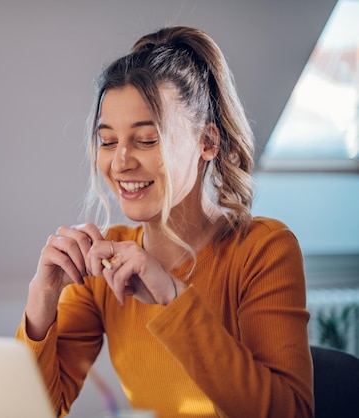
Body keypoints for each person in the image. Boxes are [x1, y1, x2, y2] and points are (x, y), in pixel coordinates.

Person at [16, 26, 313, 418]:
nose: (120, 162)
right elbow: (34, 410)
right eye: (108, 141)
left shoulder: (263, 249)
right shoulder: (101, 269)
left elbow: (289, 413)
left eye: (146, 139)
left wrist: (172, 297)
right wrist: (42, 298)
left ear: (208, 142)